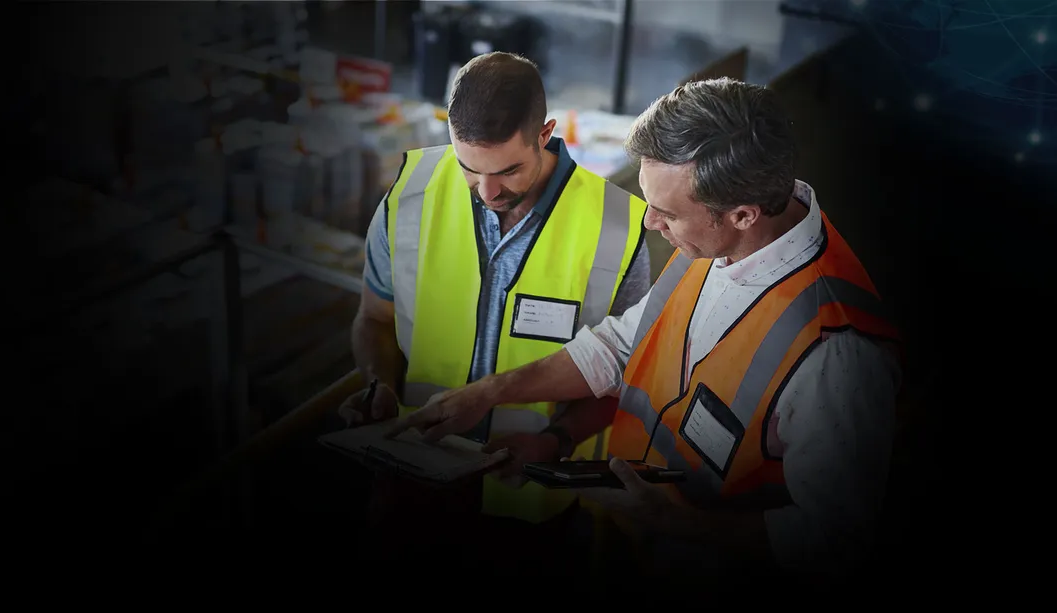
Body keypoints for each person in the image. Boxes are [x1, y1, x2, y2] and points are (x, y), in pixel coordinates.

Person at [386, 77, 903, 581]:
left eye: (668, 213)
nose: (650, 222)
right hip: (632, 548)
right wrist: (490, 393)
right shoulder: (717, 242)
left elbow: (835, 540)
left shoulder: (837, 355)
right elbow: (620, 346)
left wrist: (671, 521)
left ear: (743, 214)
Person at [335, 52, 652, 568]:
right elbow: (374, 319)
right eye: (468, 168)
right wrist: (381, 386)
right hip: (410, 472)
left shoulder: (617, 228)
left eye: (508, 170)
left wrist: (555, 440)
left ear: (545, 133)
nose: (487, 192)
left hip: (529, 498)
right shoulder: (410, 194)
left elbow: (627, 375)